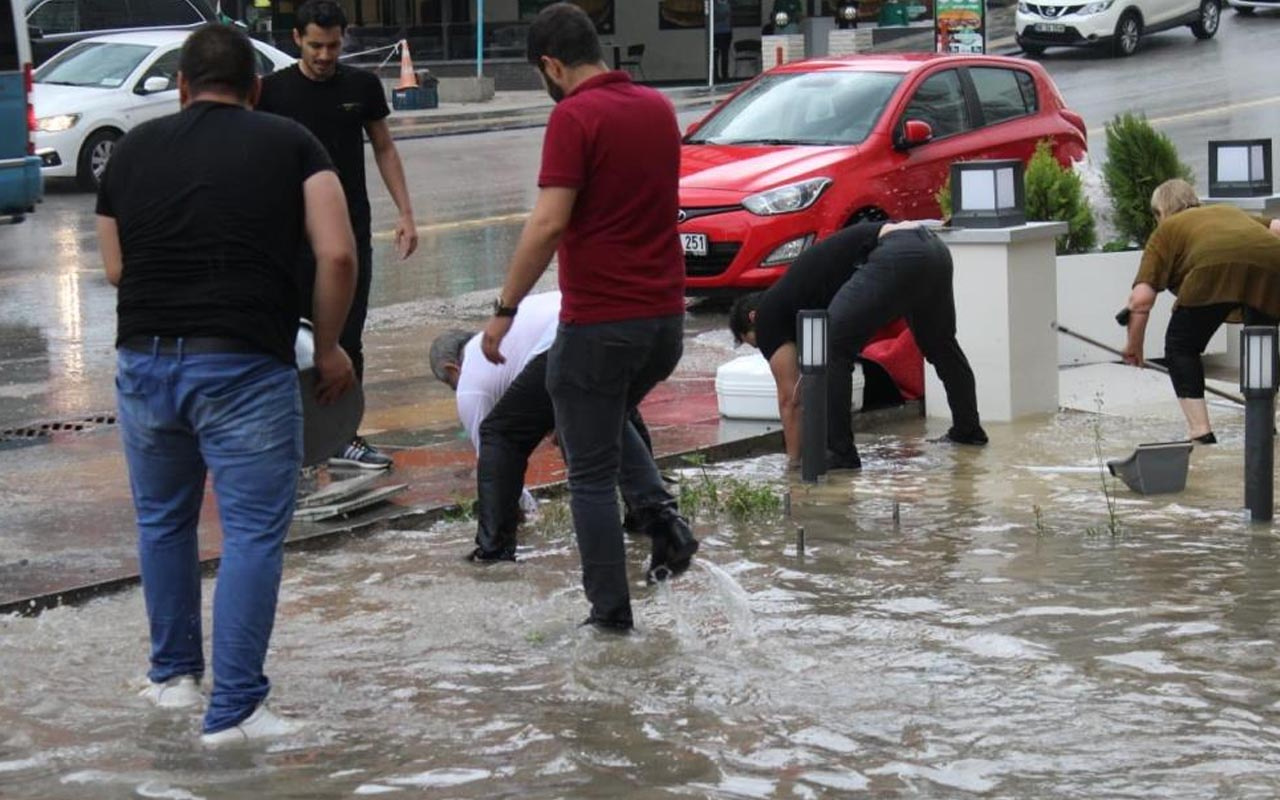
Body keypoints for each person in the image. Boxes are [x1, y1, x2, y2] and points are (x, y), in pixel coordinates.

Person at [97, 23, 356, 744]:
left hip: (143, 361)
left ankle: (173, 681)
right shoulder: (291, 142)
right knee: (249, 535)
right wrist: (330, 348)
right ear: (256, 88)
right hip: (242, 364)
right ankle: (235, 711)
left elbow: (117, 270)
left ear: (181, 87)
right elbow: (336, 255)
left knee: (164, 522)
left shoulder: (132, 149)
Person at [479, 3, 696, 633]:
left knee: (589, 470)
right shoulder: (657, 108)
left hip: (601, 322)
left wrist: (503, 313)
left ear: (551, 65)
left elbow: (548, 223)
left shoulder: (575, 116)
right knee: (595, 419)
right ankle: (665, 523)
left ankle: (610, 618)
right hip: (663, 324)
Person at [256, 0, 419, 471]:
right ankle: (291, 437)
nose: (325, 55)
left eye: (332, 45)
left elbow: (384, 148)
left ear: (344, 39)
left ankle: (345, 435)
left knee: (348, 337)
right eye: (315, 45)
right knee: (290, 336)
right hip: (289, 237)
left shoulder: (362, 87)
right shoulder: (270, 92)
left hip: (350, 232)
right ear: (296, 41)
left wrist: (406, 213)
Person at [429, 291, 673, 565]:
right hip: (625, 319)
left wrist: (526, 510)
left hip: (572, 335)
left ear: (452, 368)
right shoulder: (516, 332)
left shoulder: (471, 379)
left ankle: (493, 551)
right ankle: (651, 517)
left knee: (499, 435)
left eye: (450, 384)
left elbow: (490, 456)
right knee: (613, 413)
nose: (456, 390)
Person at [729, 220, 988, 470]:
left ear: (752, 318)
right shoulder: (797, 295)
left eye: (754, 343)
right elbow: (806, 385)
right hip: (932, 248)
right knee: (942, 346)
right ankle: (968, 430)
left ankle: (840, 453)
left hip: (897, 253)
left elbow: (790, 398)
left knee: (833, 347)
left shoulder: (768, 317)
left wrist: (794, 464)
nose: (764, 350)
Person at [1123, 179, 1280, 443]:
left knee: (1181, 346)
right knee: (1260, 344)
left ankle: (1200, 431)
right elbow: (1276, 227)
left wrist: (1133, 345)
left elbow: (1140, 301)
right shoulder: (1227, 211)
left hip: (1210, 272)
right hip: (1272, 268)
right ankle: (1265, 422)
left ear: (1160, 212)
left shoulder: (1167, 230)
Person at [713, 0, 732, 83]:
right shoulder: (713, 5)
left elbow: (730, 18)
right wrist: (723, 16)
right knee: (715, 55)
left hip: (726, 32)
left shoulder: (728, 4)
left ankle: (725, 75)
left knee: (725, 55)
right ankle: (715, 76)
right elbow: (714, 18)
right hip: (716, 33)